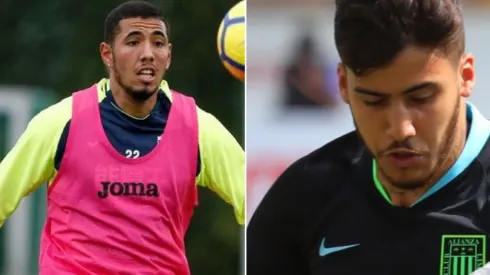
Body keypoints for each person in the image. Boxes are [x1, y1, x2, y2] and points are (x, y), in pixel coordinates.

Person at [0, 1, 244, 274]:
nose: (148, 54)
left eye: (158, 43)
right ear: (107, 54)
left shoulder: (198, 129)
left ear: (169, 55)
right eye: (133, 42)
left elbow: (259, 204)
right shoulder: (60, 123)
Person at [247, 0, 490, 274]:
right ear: (343, 85)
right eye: (374, 101)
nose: (400, 129)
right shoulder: (299, 200)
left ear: (465, 76)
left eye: (421, 98)